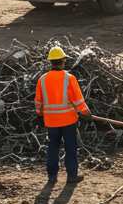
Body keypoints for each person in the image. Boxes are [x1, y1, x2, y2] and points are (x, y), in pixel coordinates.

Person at [34, 46, 91, 185]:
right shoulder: (69, 78)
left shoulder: (42, 79)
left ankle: (52, 177)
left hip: (51, 122)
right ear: (63, 61)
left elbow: (38, 102)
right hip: (68, 121)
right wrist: (86, 112)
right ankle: (72, 176)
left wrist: (40, 115)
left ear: (51, 62)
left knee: (53, 148)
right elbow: (78, 100)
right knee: (70, 148)